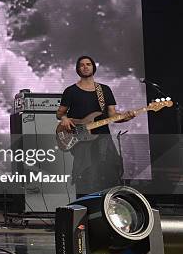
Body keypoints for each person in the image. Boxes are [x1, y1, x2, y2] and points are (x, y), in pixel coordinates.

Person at [56, 55, 135, 196]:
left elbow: (112, 115)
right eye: (82, 65)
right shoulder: (70, 91)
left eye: (88, 64)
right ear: (77, 69)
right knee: (86, 175)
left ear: (93, 67)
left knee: (110, 173)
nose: (85, 67)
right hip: (81, 138)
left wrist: (125, 117)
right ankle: (83, 210)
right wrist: (64, 118)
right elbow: (60, 113)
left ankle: (108, 207)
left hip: (103, 138)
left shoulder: (104, 90)